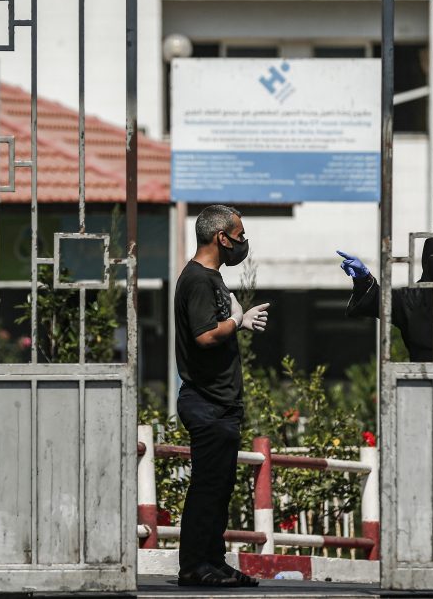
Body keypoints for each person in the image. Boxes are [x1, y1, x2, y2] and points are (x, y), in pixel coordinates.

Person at [174, 205, 270, 588]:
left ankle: (212, 560)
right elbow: (203, 335)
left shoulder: (212, 279)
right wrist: (236, 321)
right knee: (207, 488)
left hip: (222, 404)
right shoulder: (198, 280)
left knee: (219, 488)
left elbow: (216, 328)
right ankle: (194, 567)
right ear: (221, 238)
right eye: (239, 235)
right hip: (206, 402)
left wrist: (237, 322)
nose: (242, 242)